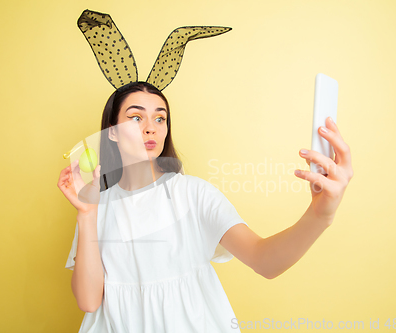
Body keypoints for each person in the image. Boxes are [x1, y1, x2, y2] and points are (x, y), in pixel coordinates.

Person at [57, 81, 354, 332]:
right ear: (112, 132)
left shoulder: (194, 194)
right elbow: (89, 302)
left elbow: (265, 261)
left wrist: (320, 214)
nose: (151, 128)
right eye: (136, 118)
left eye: (160, 119)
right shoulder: (97, 204)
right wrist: (87, 214)